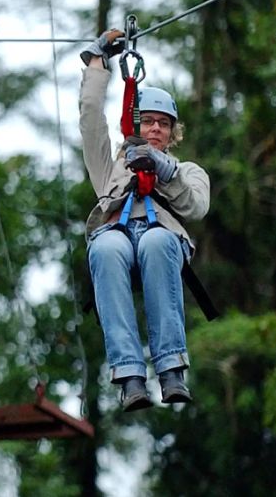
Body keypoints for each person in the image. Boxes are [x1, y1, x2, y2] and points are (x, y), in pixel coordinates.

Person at [79, 30, 210, 411]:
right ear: (134, 126)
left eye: (163, 124)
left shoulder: (187, 171)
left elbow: (196, 207)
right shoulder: (110, 168)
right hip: (117, 236)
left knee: (155, 241)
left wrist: (161, 168)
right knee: (104, 245)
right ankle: (130, 377)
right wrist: (96, 63)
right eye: (148, 122)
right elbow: (90, 119)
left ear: (172, 134)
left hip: (163, 241)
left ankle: (171, 370)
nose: (155, 129)